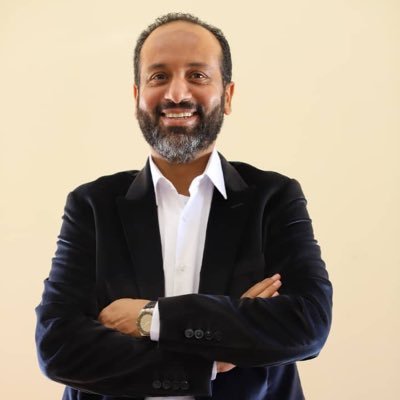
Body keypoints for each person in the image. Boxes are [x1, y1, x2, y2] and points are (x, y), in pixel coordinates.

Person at [35, 12, 332, 400]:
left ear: (227, 96)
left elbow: (306, 325)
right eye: (159, 76)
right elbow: (58, 347)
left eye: (197, 75)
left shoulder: (273, 198)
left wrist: (150, 318)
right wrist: (214, 353)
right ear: (137, 96)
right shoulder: (92, 205)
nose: (177, 93)